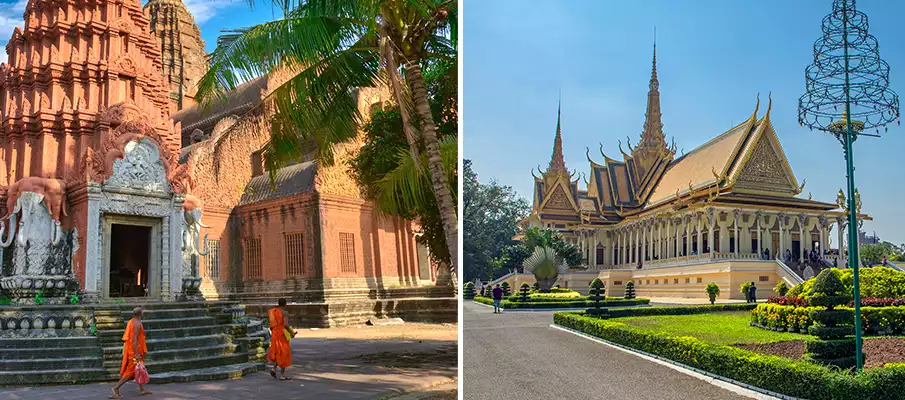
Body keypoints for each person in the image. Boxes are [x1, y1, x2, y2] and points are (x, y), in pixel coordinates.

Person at [110, 307, 150, 399]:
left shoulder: (132, 321)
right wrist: (136, 353)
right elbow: (134, 339)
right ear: (141, 313)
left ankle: (142, 389)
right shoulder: (136, 323)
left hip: (134, 349)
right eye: (142, 311)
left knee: (139, 369)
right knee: (131, 371)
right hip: (134, 350)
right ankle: (115, 389)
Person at [268, 299, 296, 380]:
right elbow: (286, 325)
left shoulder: (273, 311)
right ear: (285, 304)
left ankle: (273, 368)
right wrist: (292, 333)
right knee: (284, 352)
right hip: (282, 334)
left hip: (274, 333)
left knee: (277, 352)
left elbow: (272, 325)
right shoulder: (285, 312)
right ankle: (282, 375)